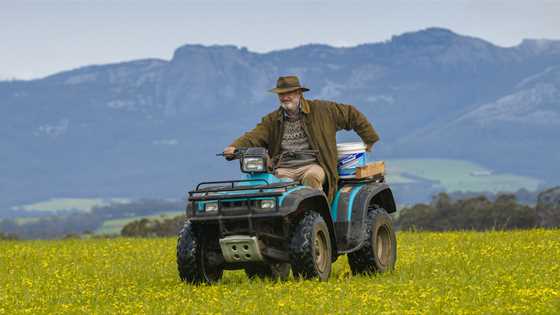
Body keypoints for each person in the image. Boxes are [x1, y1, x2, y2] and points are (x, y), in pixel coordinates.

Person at [223, 75, 379, 202]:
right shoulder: (272, 120)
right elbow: (254, 135)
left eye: (288, 93)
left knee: (312, 177)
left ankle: (317, 217)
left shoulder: (322, 110)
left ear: (299, 93)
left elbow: (351, 114)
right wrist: (234, 147)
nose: (284, 97)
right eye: (281, 94)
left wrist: (369, 139)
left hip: (313, 164)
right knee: (276, 186)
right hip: (284, 168)